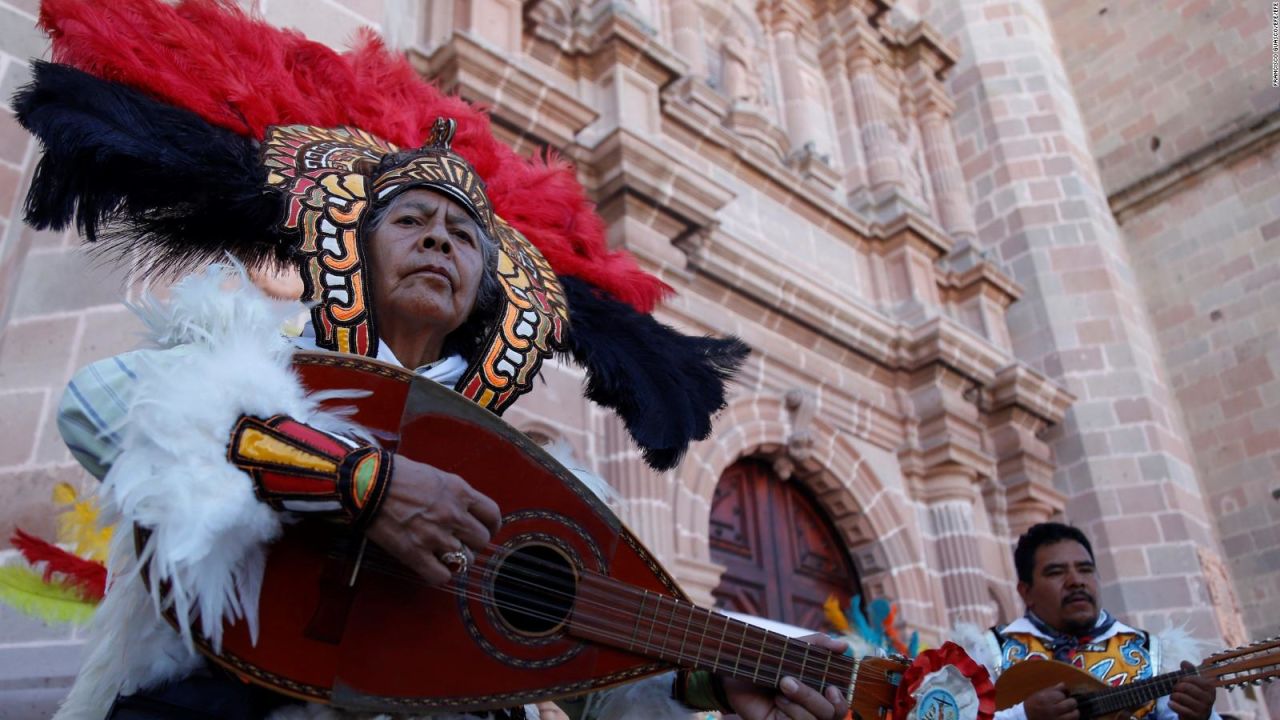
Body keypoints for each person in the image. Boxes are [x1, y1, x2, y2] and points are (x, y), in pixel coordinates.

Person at [16, 1, 852, 719]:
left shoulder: (537, 487)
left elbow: (592, 680)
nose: (438, 241)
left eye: (461, 237)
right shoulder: (249, 355)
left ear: (487, 289)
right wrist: (358, 482)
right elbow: (104, 406)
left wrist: (705, 681)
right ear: (352, 246)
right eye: (410, 221)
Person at [975, 523, 1218, 720]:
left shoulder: (1152, 653)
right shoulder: (989, 653)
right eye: (1056, 572)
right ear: (1026, 592)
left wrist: (1201, 718)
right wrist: (1024, 716)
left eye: (1085, 569)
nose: (1076, 581)